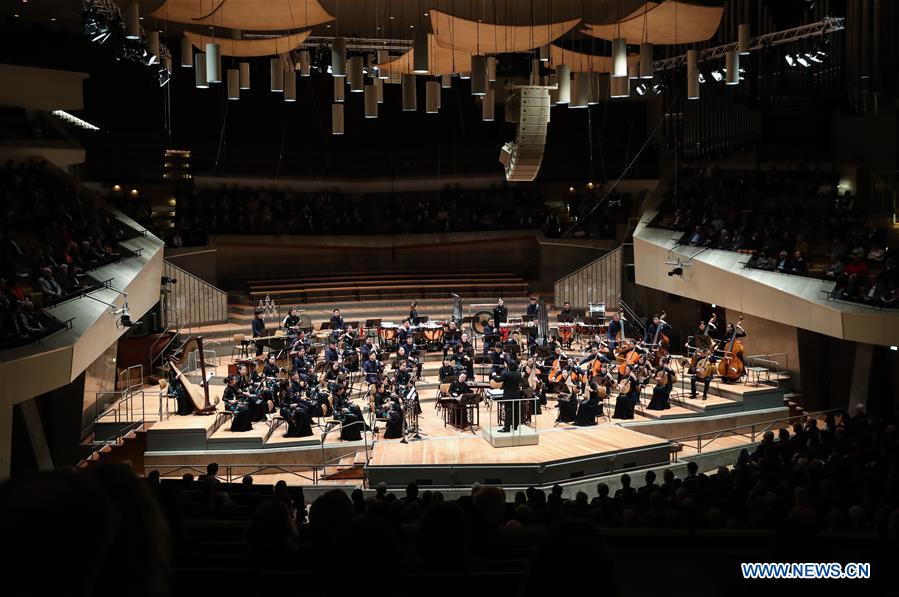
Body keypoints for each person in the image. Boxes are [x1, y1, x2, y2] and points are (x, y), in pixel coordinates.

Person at [492, 360, 522, 433]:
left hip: (508, 396)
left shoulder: (506, 374)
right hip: (516, 395)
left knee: (508, 411)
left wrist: (493, 375)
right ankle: (515, 426)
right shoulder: (518, 374)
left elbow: (498, 380)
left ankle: (507, 428)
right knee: (515, 411)